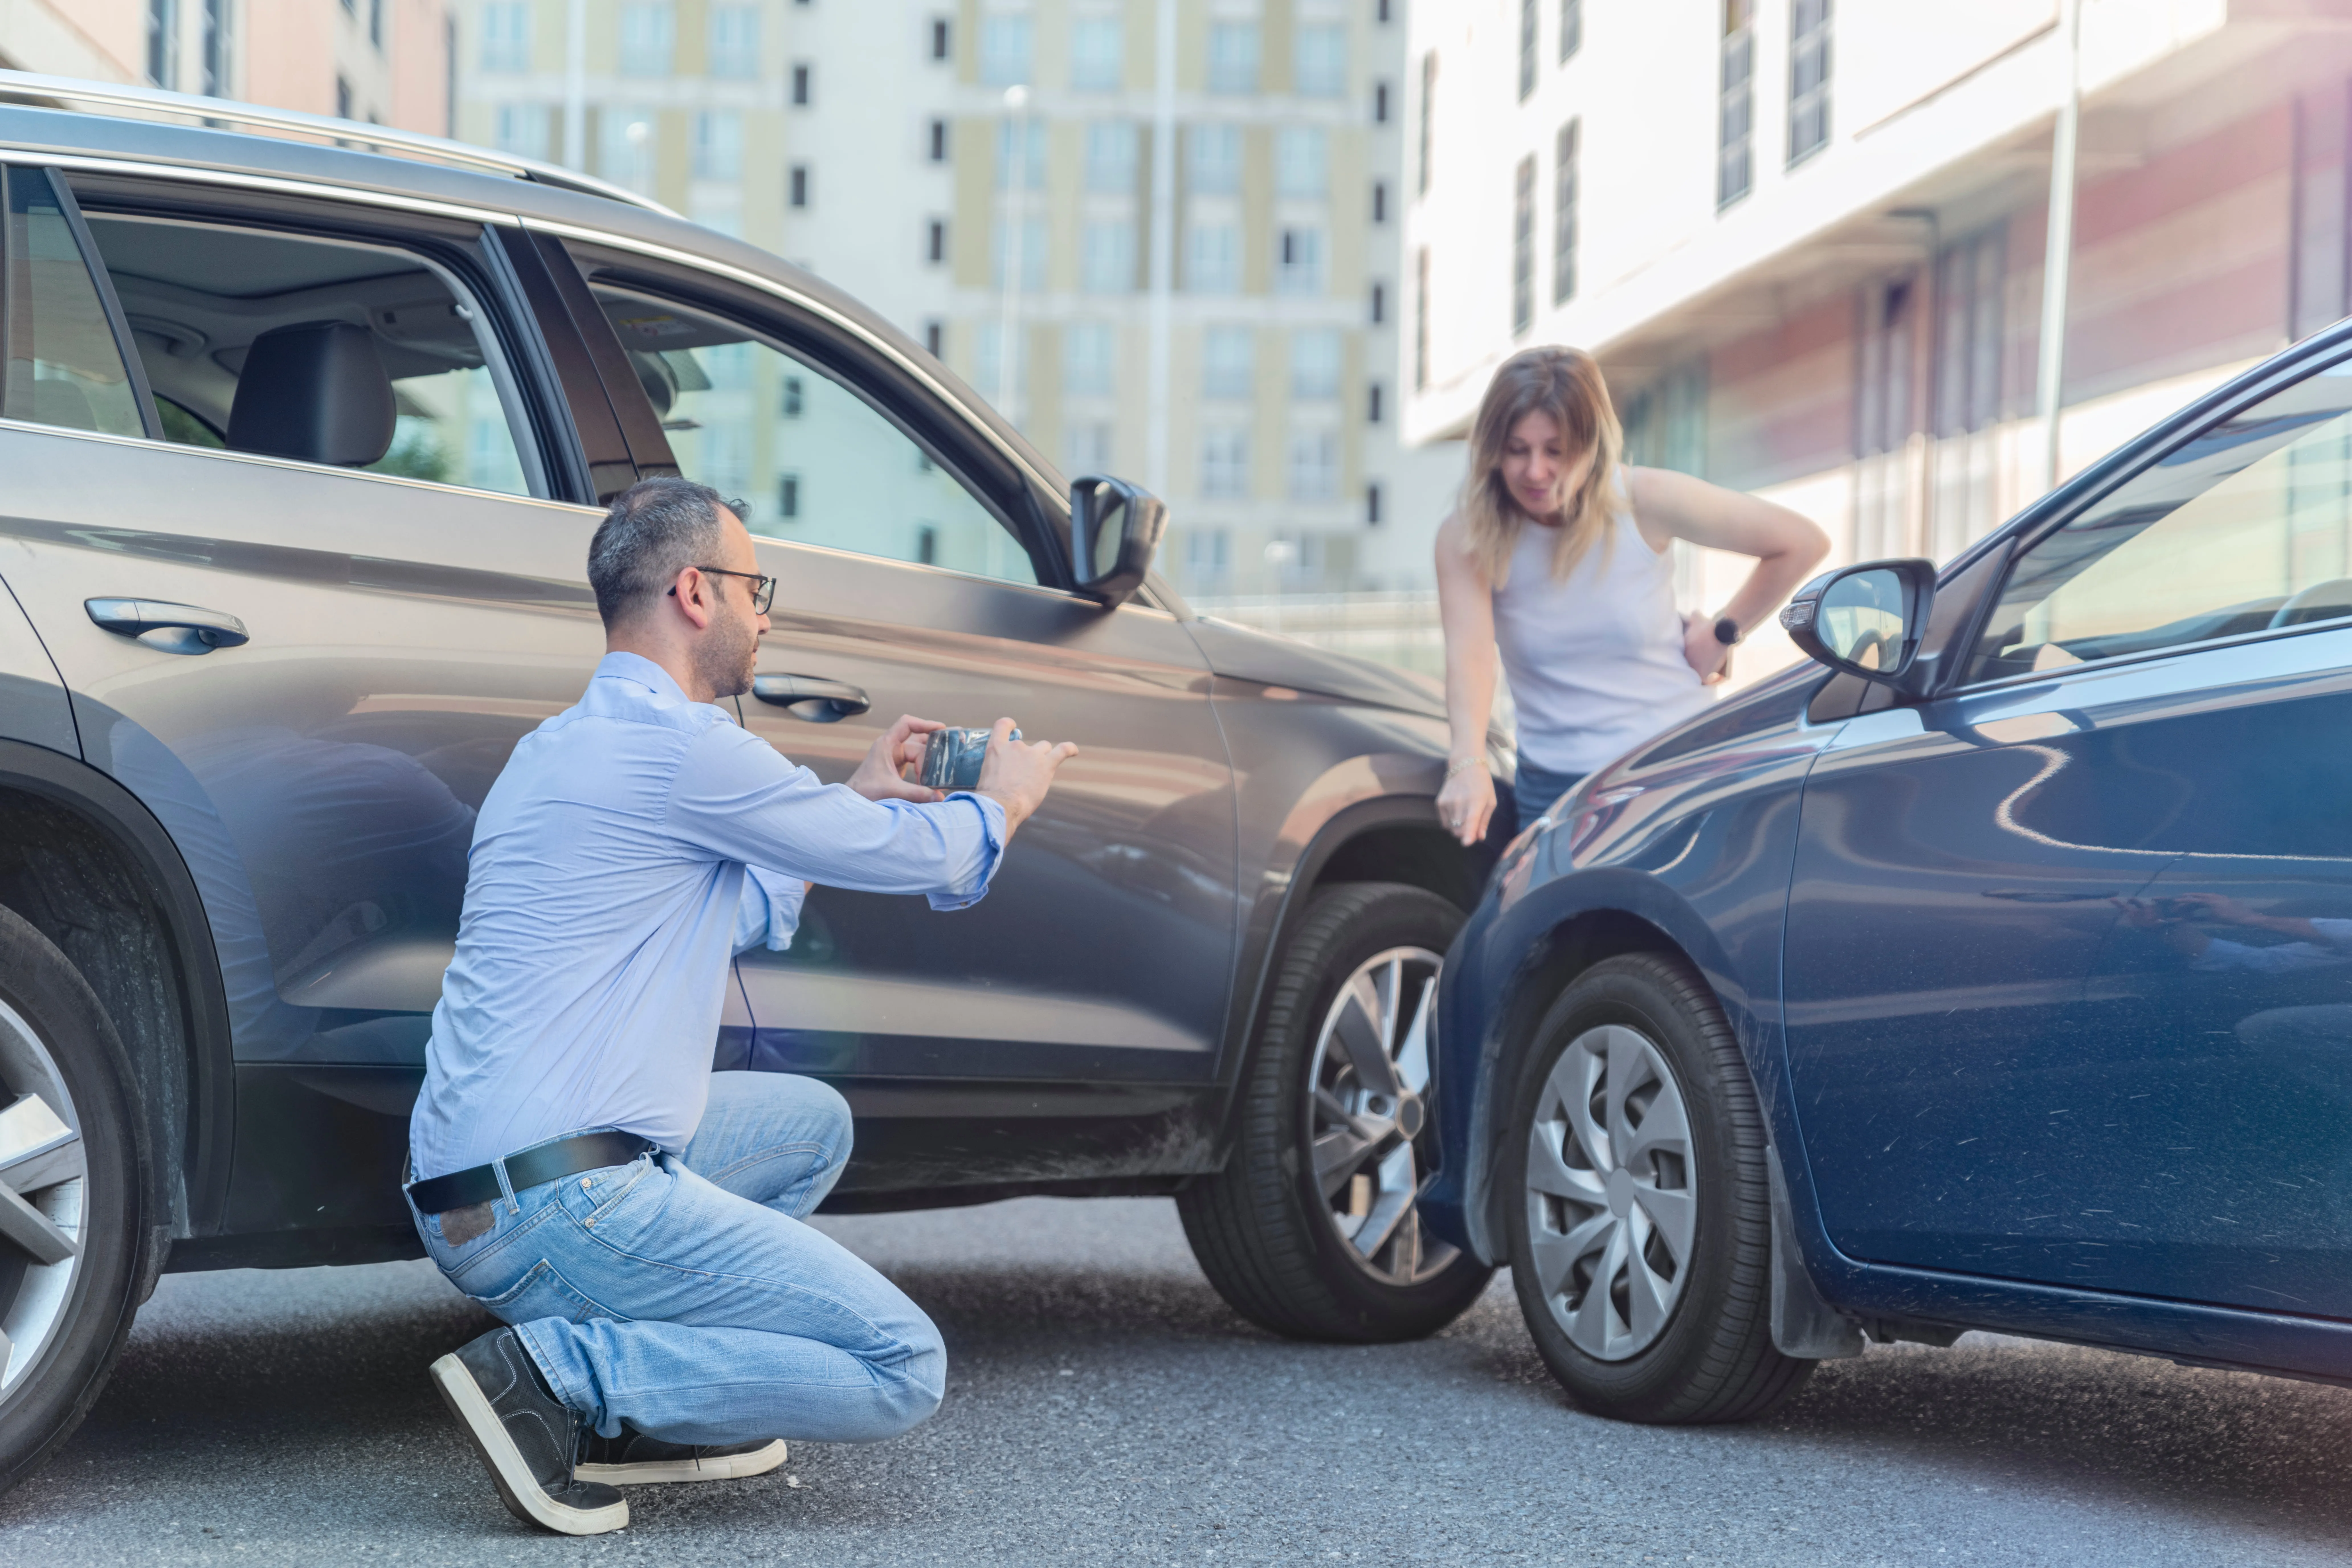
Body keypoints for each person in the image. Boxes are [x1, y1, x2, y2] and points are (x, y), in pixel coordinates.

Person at [404, 476, 1077, 1536]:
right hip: (562, 1200)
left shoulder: (558, 751)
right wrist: (1004, 797)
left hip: (472, 1188)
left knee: (809, 1126)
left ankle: (658, 1403)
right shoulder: (684, 747)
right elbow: (917, 856)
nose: (766, 613)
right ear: (693, 592)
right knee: (902, 1363)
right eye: (756, 586)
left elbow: (749, 904)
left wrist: (852, 794)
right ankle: (567, 1374)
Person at [1434, 346, 1829, 844]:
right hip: (1557, 787)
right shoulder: (1467, 535)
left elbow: (1800, 542)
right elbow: (1469, 658)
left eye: (1556, 450)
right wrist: (1465, 763)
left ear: (1592, 444)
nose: (1535, 471)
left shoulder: (1644, 500)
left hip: (1676, 767)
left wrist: (1724, 633)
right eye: (1517, 449)